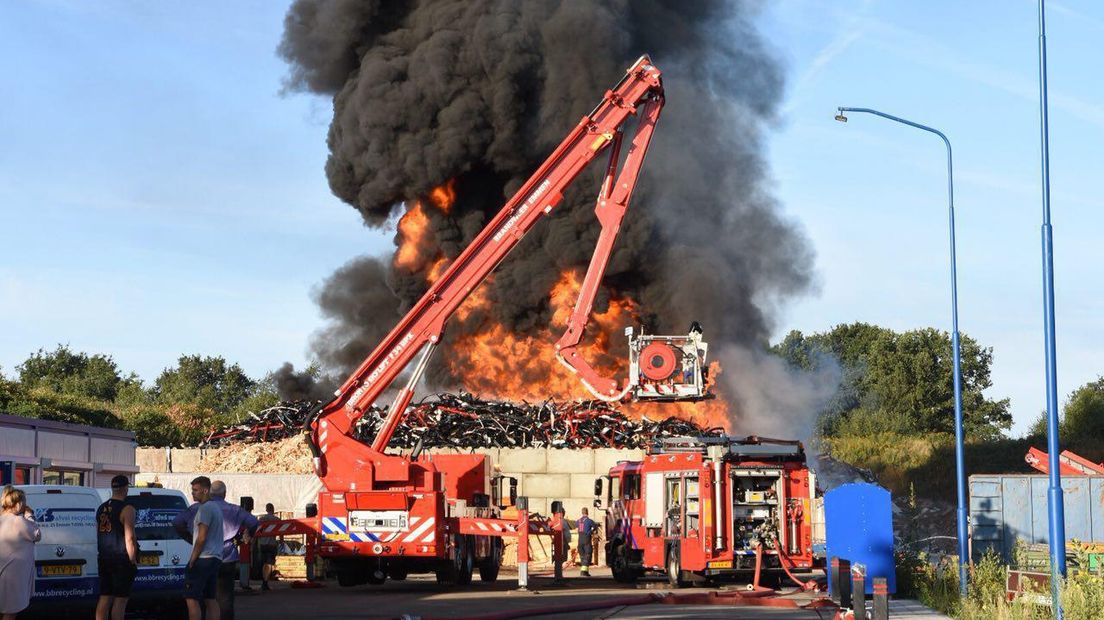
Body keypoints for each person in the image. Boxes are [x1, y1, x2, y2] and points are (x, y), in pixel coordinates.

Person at [173, 480, 258, 620]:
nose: (193, 493)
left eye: (195, 490)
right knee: (224, 599)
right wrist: (246, 537)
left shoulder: (199, 509)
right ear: (225, 494)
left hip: (204, 556)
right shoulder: (234, 509)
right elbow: (254, 522)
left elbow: (178, 523)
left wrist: (190, 539)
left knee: (197, 597)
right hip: (227, 557)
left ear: (208, 492)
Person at [95, 475, 138, 620]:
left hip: (104, 557)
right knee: (120, 600)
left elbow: (98, 533)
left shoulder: (101, 508)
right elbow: (130, 537)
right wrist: (132, 560)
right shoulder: (127, 509)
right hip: (121, 558)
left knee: (105, 597)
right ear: (126, 488)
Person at [183, 476, 222, 620]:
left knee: (191, 598)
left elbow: (201, 537)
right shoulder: (216, 508)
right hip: (215, 558)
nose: (193, 493)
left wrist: (192, 559)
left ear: (205, 490)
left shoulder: (205, 509)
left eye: (196, 490)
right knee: (210, 598)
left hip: (203, 559)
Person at [1, 486, 40, 620]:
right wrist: (29, 515)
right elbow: (37, 534)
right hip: (13, 576)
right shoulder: (19, 521)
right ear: (18, 504)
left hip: (3, 573)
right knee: (10, 612)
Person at [256, 503, 280, 591]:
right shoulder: (277, 519)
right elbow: (281, 532)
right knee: (269, 564)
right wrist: (281, 540)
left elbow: (257, 531)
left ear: (266, 509)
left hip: (263, 544)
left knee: (264, 563)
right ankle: (265, 582)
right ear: (273, 510)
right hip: (271, 544)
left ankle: (264, 582)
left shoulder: (262, 519)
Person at [575, 507, 595, 577]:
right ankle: (583, 572)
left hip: (580, 540)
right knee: (588, 555)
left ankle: (585, 572)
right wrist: (591, 531)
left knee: (582, 556)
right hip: (586, 539)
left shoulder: (578, 521)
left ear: (582, 512)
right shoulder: (589, 521)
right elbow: (594, 527)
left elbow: (576, 526)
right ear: (587, 512)